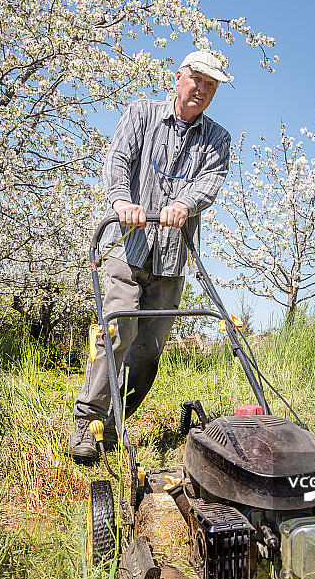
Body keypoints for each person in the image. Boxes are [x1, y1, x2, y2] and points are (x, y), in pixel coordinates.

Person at [67, 50, 230, 464]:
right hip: (128, 248)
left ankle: (114, 425)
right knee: (118, 333)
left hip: (173, 261)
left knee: (149, 350)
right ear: (179, 77)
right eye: (198, 79)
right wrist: (123, 200)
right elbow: (118, 159)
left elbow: (209, 184)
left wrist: (185, 204)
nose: (202, 90)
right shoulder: (141, 113)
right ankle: (88, 423)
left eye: (211, 85)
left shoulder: (218, 139)